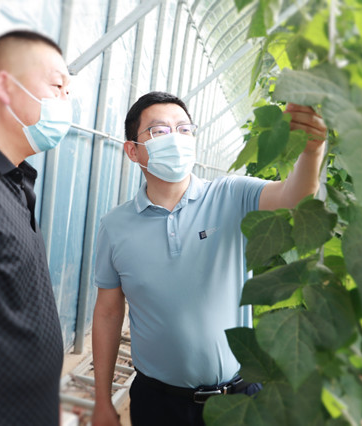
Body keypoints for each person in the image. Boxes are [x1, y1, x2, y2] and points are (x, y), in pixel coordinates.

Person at [91, 91, 326, 426]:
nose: (176, 138)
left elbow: (294, 197)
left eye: (184, 129)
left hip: (238, 398)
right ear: (133, 150)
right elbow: (108, 312)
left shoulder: (230, 195)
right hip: (157, 403)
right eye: (159, 131)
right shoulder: (115, 226)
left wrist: (312, 151)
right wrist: (102, 400)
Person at [0, 30, 74, 425]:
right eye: (57, 86)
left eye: (69, 92)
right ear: (6, 86)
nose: (66, 101)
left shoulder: (11, 178)